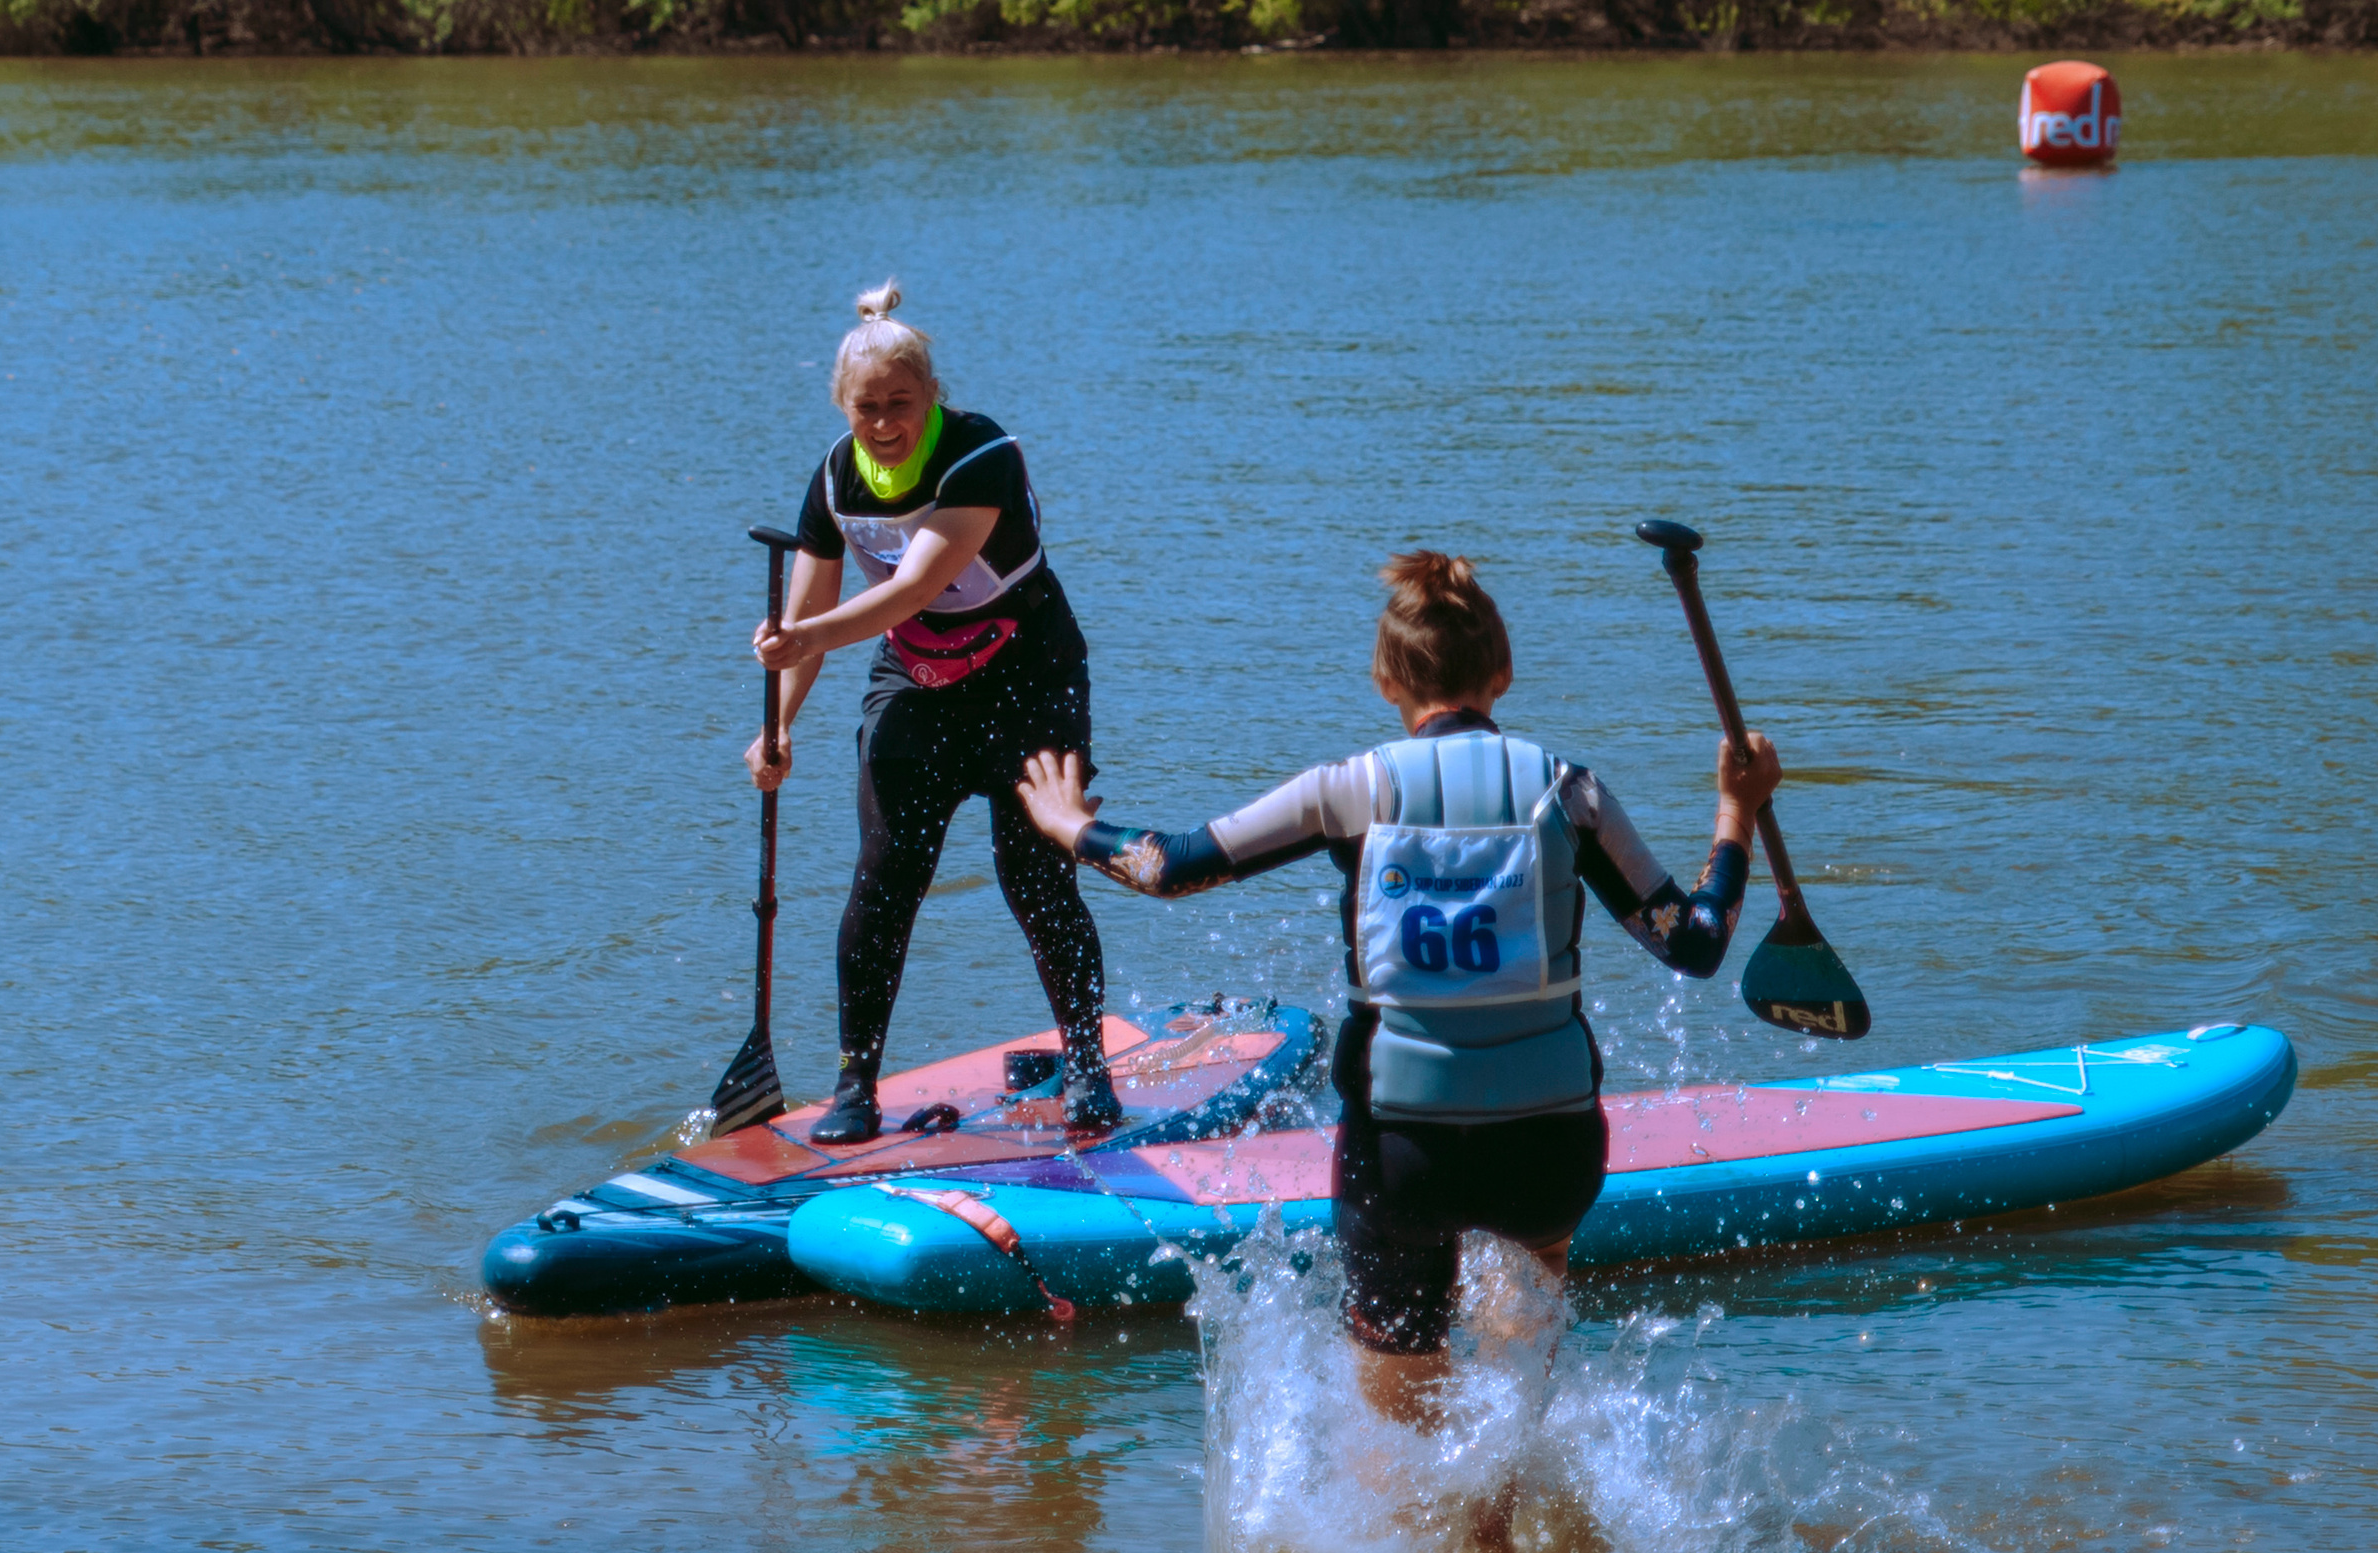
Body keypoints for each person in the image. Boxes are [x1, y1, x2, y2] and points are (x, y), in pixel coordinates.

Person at [1016, 549, 1778, 1420]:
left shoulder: (1352, 789)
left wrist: (1071, 824)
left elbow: (1170, 866)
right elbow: (1696, 943)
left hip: (1401, 1156)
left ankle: (1409, 1528)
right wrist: (1736, 811)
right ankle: (1499, 1515)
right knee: (1516, 1370)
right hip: (1549, 1149)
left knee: (1397, 1424)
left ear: (1386, 679)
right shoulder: (1569, 792)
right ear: (1503, 672)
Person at [749, 284, 1117, 1141]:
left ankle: (1091, 1066)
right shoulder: (835, 476)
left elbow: (909, 588)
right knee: (884, 880)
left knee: (1034, 875)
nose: (883, 422)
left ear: (933, 398)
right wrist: (777, 726)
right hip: (915, 679)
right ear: (845, 408)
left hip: (1029, 681)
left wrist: (795, 636)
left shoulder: (980, 455)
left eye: (900, 404)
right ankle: (854, 1087)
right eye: (867, 407)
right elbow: (814, 609)